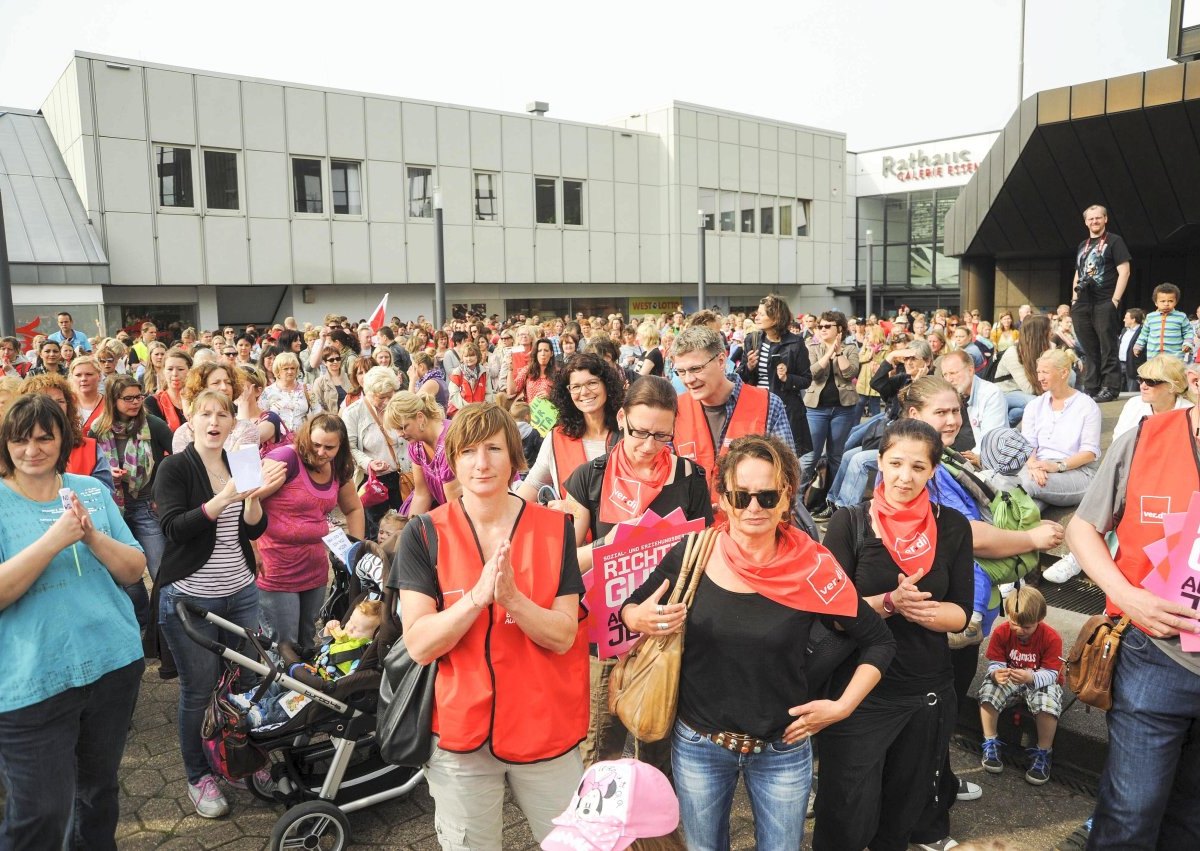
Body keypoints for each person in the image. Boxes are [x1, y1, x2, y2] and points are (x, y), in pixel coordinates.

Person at [621, 433, 894, 850]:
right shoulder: (693, 551)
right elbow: (631, 605)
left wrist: (841, 707)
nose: (753, 508)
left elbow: (879, 641)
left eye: (767, 497)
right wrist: (637, 616)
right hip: (700, 745)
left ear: (787, 498)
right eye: (741, 496)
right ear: (723, 499)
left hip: (782, 748)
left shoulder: (813, 567)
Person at [390, 403, 589, 849]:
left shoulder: (556, 530)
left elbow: (563, 634)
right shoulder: (423, 534)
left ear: (515, 459)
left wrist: (513, 599)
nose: (482, 464)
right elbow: (420, 644)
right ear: (453, 461)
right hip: (461, 735)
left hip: (545, 728)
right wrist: (477, 600)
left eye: (495, 449)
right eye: (469, 452)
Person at [813, 418, 974, 851]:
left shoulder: (953, 526)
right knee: (844, 809)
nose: (906, 476)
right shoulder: (851, 522)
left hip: (926, 689)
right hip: (859, 688)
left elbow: (962, 612)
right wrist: (889, 603)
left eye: (919, 467)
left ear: (933, 471)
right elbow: (830, 608)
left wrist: (927, 612)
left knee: (903, 810)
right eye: (897, 463)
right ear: (879, 462)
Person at [0, 394, 146, 850]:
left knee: (99, 793)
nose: (32, 449)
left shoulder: (91, 490)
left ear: (63, 440)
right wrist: (53, 540)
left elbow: (132, 568)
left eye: (46, 438)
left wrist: (91, 535)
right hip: (32, 683)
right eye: (20, 440)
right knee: (40, 813)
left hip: (112, 666)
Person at [1063, 398, 1200, 850]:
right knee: (1130, 817)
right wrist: (1125, 596)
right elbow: (1082, 528)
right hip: (1156, 655)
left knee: (1192, 821)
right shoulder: (1144, 439)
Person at [558, 376, 713, 768]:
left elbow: (703, 552)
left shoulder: (689, 479)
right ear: (622, 417)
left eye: (662, 436)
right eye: (638, 432)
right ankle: (603, 829)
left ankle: (654, 830)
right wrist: (616, 546)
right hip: (604, 632)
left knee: (656, 746)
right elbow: (563, 561)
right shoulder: (590, 476)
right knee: (600, 754)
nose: (648, 446)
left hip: (662, 632)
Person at [154, 389, 284, 819]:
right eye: (205, 414)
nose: (214, 421)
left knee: (248, 685)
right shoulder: (174, 467)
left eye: (222, 414)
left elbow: (253, 527)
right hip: (191, 599)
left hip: (241, 592)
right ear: (190, 421)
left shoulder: (239, 461)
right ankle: (198, 775)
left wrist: (251, 499)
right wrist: (226, 495)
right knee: (200, 689)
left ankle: (248, 763)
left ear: (232, 423)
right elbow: (174, 528)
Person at [255, 414, 365, 648]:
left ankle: (302, 684)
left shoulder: (338, 466)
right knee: (284, 643)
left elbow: (354, 508)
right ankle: (281, 685)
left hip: (314, 567)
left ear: (340, 446)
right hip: (276, 566)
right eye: (315, 444)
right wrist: (252, 548)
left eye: (329, 447)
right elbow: (246, 500)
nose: (321, 452)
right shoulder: (285, 458)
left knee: (307, 638)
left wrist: (357, 551)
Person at [670, 327, 794, 509]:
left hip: (752, 523)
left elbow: (786, 475)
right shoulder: (673, 411)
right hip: (694, 529)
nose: (688, 379)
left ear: (721, 361)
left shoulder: (769, 405)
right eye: (681, 372)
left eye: (696, 369)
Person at [89, 375, 173, 627]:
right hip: (114, 508)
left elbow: (176, 458)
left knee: (161, 570)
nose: (136, 402)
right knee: (125, 573)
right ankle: (142, 624)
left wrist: (162, 494)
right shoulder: (98, 429)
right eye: (128, 398)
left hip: (148, 504)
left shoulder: (154, 425)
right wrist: (107, 471)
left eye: (139, 397)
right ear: (114, 401)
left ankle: (164, 627)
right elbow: (91, 466)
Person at [234, 599, 383, 728]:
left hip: (324, 689)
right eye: (350, 621)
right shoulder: (346, 638)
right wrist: (328, 633)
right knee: (280, 682)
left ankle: (263, 714)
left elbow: (352, 678)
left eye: (357, 628)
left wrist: (331, 685)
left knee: (292, 700)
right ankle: (251, 698)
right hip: (312, 673)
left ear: (373, 636)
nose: (349, 627)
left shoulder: (362, 652)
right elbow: (326, 648)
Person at [978, 585, 1063, 786]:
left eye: (1027, 627)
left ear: (1039, 620)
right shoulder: (1002, 632)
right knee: (988, 691)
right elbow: (996, 662)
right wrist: (996, 673)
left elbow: (1052, 673)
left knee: (1047, 704)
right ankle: (990, 740)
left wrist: (1030, 677)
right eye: (1015, 624)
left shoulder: (1051, 637)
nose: (1020, 630)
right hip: (1012, 678)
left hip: (1038, 679)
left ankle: (1043, 751)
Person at [516, 353, 622, 502]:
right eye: (576, 387)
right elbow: (533, 485)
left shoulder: (629, 434)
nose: (584, 392)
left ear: (607, 385)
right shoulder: (556, 438)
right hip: (572, 524)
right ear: (567, 392)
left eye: (592, 383)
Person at [1013, 349, 1100, 509]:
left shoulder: (1087, 405)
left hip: (1077, 472)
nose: (1040, 378)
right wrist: (1033, 465)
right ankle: (1016, 525)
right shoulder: (1034, 405)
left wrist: (1057, 466)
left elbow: (1089, 453)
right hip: (1038, 468)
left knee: (1024, 484)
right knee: (1027, 495)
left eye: (1045, 372)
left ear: (1064, 373)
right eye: (1038, 372)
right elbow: (1028, 444)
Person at [738, 293, 814, 459]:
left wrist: (787, 378)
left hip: (785, 409)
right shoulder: (752, 339)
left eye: (761, 314)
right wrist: (749, 367)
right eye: (757, 313)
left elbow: (806, 379)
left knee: (784, 459)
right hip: (756, 407)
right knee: (756, 456)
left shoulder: (795, 342)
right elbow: (741, 377)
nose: (757, 317)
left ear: (776, 318)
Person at [1070, 204, 1131, 403]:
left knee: (1107, 346)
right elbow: (1078, 273)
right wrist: (1073, 300)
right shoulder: (1082, 245)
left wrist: (1115, 300)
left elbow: (1125, 271)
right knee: (1089, 348)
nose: (1094, 221)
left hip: (1105, 300)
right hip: (1082, 302)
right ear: (1085, 221)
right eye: (1091, 218)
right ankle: (1092, 387)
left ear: (1105, 219)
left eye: (1098, 218)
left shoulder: (1115, 241)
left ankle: (1110, 387)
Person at [20, 371, 116, 494]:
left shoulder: (89, 448)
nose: (54, 407)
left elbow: (104, 495)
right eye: (46, 401)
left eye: (60, 401)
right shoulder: (15, 449)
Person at [343, 366, 406, 540]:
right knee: (377, 532)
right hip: (374, 482)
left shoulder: (398, 406)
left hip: (402, 477)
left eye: (390, 395)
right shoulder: (353, 412)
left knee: (403, 526)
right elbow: (350, 447)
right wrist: (368, 463)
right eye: (382, 397)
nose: (387, 401)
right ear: (368, 392)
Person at [802, 311, 859, 485]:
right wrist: (828, 354)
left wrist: (839, 352)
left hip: (843, 410)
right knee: (811, 455)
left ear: (840, 329)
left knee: (836, 455)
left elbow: (850, 373)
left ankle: (833, 498)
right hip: (815, 409)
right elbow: (812, 372)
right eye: (820, 326)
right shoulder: (811, 347)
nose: (823, 329)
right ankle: (798, 497)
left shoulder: (851, 349)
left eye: (828, 326)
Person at [386, 391, 460, 517]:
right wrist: (410, 531)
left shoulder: (449, 443)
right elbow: (422, 493)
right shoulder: (416, 445)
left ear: (420, 417)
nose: (399, 434)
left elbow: (455, 506)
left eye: (403, 427)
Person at [171, 361, 259, 454]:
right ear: (201, 388)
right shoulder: (185, 432)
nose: (224, 387)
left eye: (228, 382)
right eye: (216, 383)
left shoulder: (247, 428)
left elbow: (243, 465)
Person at [938, 350, 1007, 463]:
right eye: (945, 374)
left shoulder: (990, 394)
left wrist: (965, 461)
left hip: (983, 462)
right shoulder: (948, 395)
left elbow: (990, 441)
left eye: (953, 373)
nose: (949, 379)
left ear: (970, 370)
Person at [1133, 282, 1193, 362]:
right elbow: (1144, 334)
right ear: (1156, 302)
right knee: (1153, 374)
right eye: (1162, 301)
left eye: (1170, 301)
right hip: (1154, 357)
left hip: (1174, 358)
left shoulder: (1181, 316)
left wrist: (1187, 344)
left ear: (1176, 302)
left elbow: (1188, 332)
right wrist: (1138, 346)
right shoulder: (1150, 317)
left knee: (1173, 374)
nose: (1166, 304)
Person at [260, 352, 313, 432]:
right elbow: (262, 417)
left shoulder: (307, 389)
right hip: (278, 440)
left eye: (292, 368)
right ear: (278, 371)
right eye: (285, 369)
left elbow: (318, 412)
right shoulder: (267, 392)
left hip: (302, 438)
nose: (290, 372)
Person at [510, 337, 558, 403]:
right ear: (536, 353)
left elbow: (563, 398)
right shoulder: (527, 370)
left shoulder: (558, 373)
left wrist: (550, 397)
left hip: (551, 411)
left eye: (546, 350)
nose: (543, 354)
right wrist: (510, 369)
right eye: (539, 351)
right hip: (529, 411)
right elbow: (511, 392)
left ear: (551, 353)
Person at [69, 355, 106, 434]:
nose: (83, 379)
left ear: (99, 376)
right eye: (78, 375)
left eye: (89, 374)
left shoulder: (109, 405)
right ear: (72, 377)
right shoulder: (65, 403)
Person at [448, 342, 491, 410]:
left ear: (477, 356)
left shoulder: (484, 372)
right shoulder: (457, 373)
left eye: (472, 355)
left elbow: (489, 393)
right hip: (461, 410)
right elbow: (454, 395)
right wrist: (469, 409)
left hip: (481, 410)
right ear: (462, 357)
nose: (469, 359)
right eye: (466, 356)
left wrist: (483, 407)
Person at [312, 345, 354, 413]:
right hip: (331, 420)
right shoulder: (319, 382)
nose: (335, 362)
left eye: (338, 359)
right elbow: (317, 406)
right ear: (325, 362)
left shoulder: (349, 377)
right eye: (331, 360)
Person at [1118, 308, 1146, 393]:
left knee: (1132, 391)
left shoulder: (1142, 332)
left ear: (1133, 319)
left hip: (1133, 366)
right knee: (1120, 390)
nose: (1124, 320)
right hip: (1120, 364)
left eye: (1126, 318)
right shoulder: (1124, 331)